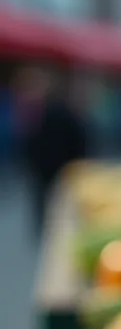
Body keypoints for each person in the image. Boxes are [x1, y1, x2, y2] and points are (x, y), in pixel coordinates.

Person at [15, 68, 88, 238]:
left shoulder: (38, 112)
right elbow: (79, 141)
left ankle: (43, 229)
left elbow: (29, 140)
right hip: (60, 166)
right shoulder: (66, 113)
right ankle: (51, 228)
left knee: (43, 199)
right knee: (56, 201)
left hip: (43, 166)